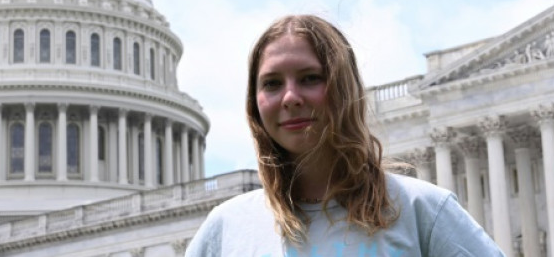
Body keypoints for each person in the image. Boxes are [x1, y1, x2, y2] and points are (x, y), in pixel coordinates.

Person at [185, 14, 504, 256]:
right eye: (272, 83)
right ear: (254, 103)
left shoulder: (422, 209)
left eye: (310, 78)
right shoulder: (227, 227)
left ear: (344, 89)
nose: (290, 97)